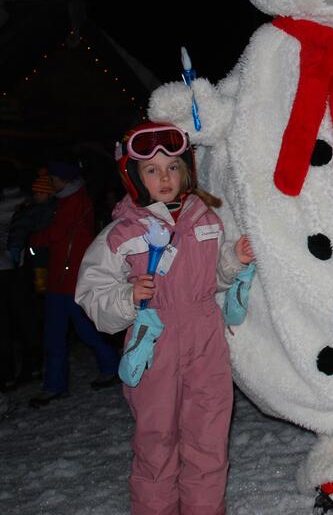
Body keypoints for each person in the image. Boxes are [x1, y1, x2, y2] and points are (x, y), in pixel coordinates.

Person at [75, 123, 254, 514]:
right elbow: (91, 295)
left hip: (205, 339)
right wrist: (127, 297)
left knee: (208, 440)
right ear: (133, 176)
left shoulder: (206, 220)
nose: (165, 178)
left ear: (187, 169)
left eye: (173, 167)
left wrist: (232, 260)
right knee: (157, 443)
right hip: (154, 343)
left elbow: (213, 278)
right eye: (152, 171)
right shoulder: (122, 235)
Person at [28, 160, 120, 407]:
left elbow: (56, 234)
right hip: (61, 278)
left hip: (72, 278)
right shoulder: (64, 201)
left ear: (66, 180)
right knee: (58, 333)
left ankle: (110, 368)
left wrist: (33, 238)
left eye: (55, 179)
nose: (52, 183)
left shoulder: (75, 201)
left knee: (82, 329)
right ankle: (55, 385)